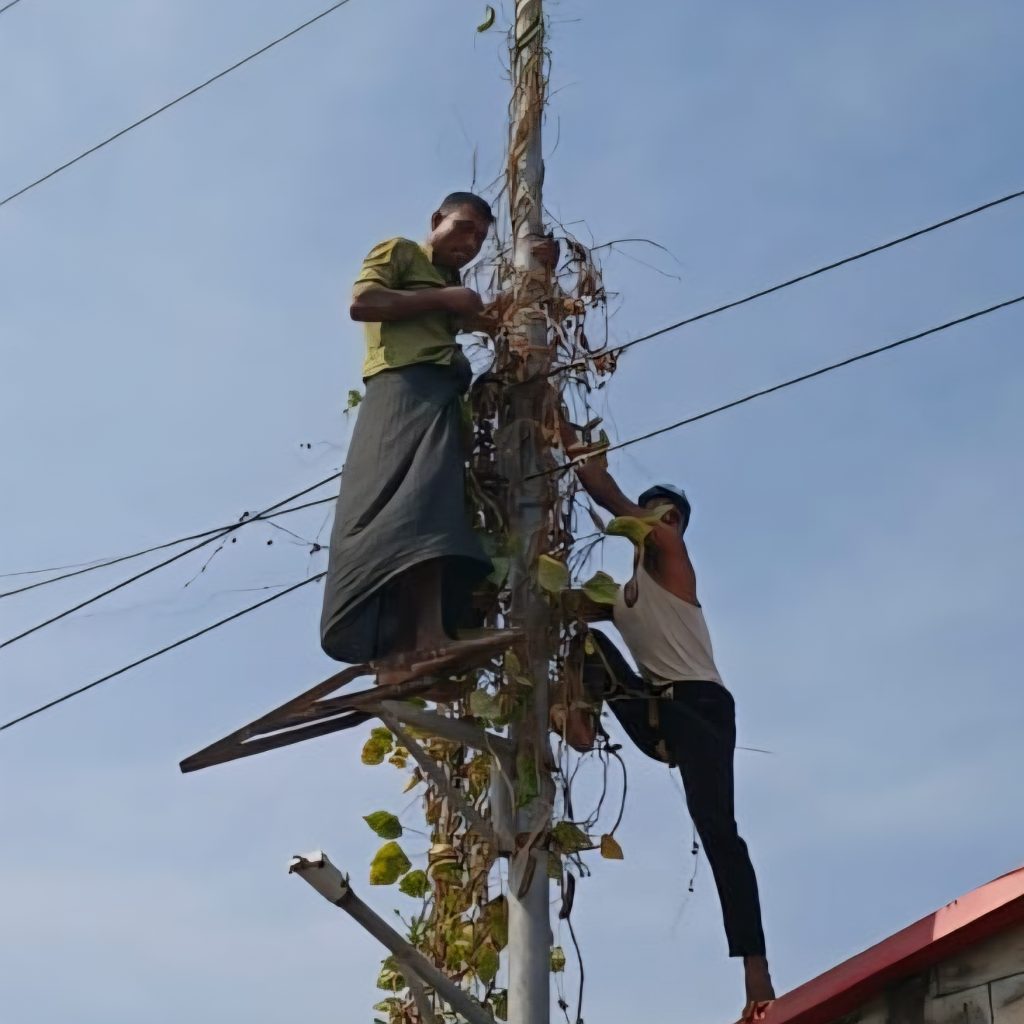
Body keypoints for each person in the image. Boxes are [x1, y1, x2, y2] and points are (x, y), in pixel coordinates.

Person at [561, 424, 775, 1023]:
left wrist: (573, 447)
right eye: (660, 512)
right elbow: (566, 605)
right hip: (659, 713)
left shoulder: (674, 560)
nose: (665, 522)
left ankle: (757, 978)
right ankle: (578, 724)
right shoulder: (625, 594)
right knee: (584, 643)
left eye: (673, 516)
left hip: (700, 708)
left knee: (718, 832)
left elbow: (608, 496)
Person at [320, 192, 556, 686]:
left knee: (434, 509)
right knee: (408, 509)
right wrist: (443, 300)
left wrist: (540, 274)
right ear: (436, 221)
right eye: (463, 228)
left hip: (440, 398)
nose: (469, 243)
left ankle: (420, 642)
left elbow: (493, 321)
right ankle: (411, 642)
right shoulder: (401, 251)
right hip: (400, 388)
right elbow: (363, 303)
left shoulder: (453, 286)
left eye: (478, 238)